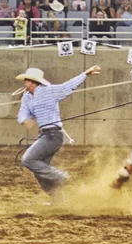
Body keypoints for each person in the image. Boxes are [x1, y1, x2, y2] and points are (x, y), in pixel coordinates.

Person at [16, 65, 102, 204]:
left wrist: (85, 74)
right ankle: (58, 201)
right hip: (44, 136)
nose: (24, 82)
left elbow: (68, 86)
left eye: (25, 80)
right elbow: (22, 112)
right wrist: (24, 120)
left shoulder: (49, 91)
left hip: (53, 136)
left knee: (28, 160)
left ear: (32, 82)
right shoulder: (26, 98)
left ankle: (61, 176)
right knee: (40, 172)